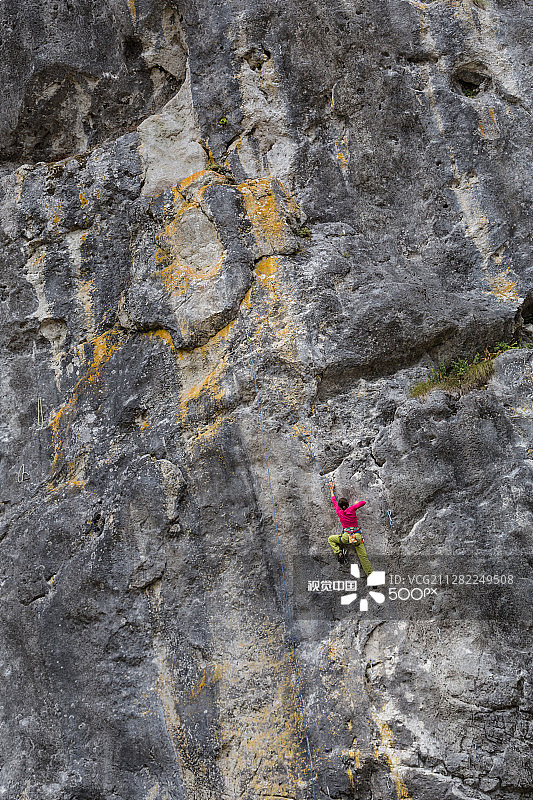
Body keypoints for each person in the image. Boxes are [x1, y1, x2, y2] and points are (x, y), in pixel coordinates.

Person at [328, 481, 373, 574]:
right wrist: (356, 504)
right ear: (348, 504)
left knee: (330, 539)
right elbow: (363, 502)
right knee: (363, 557)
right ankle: (370, 575)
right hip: (356, 536)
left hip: (346, 537)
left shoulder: (339, 511)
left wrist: (331, 489)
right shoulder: (352, 509)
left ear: (340, 506)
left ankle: (339, 552)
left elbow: (334, 501)